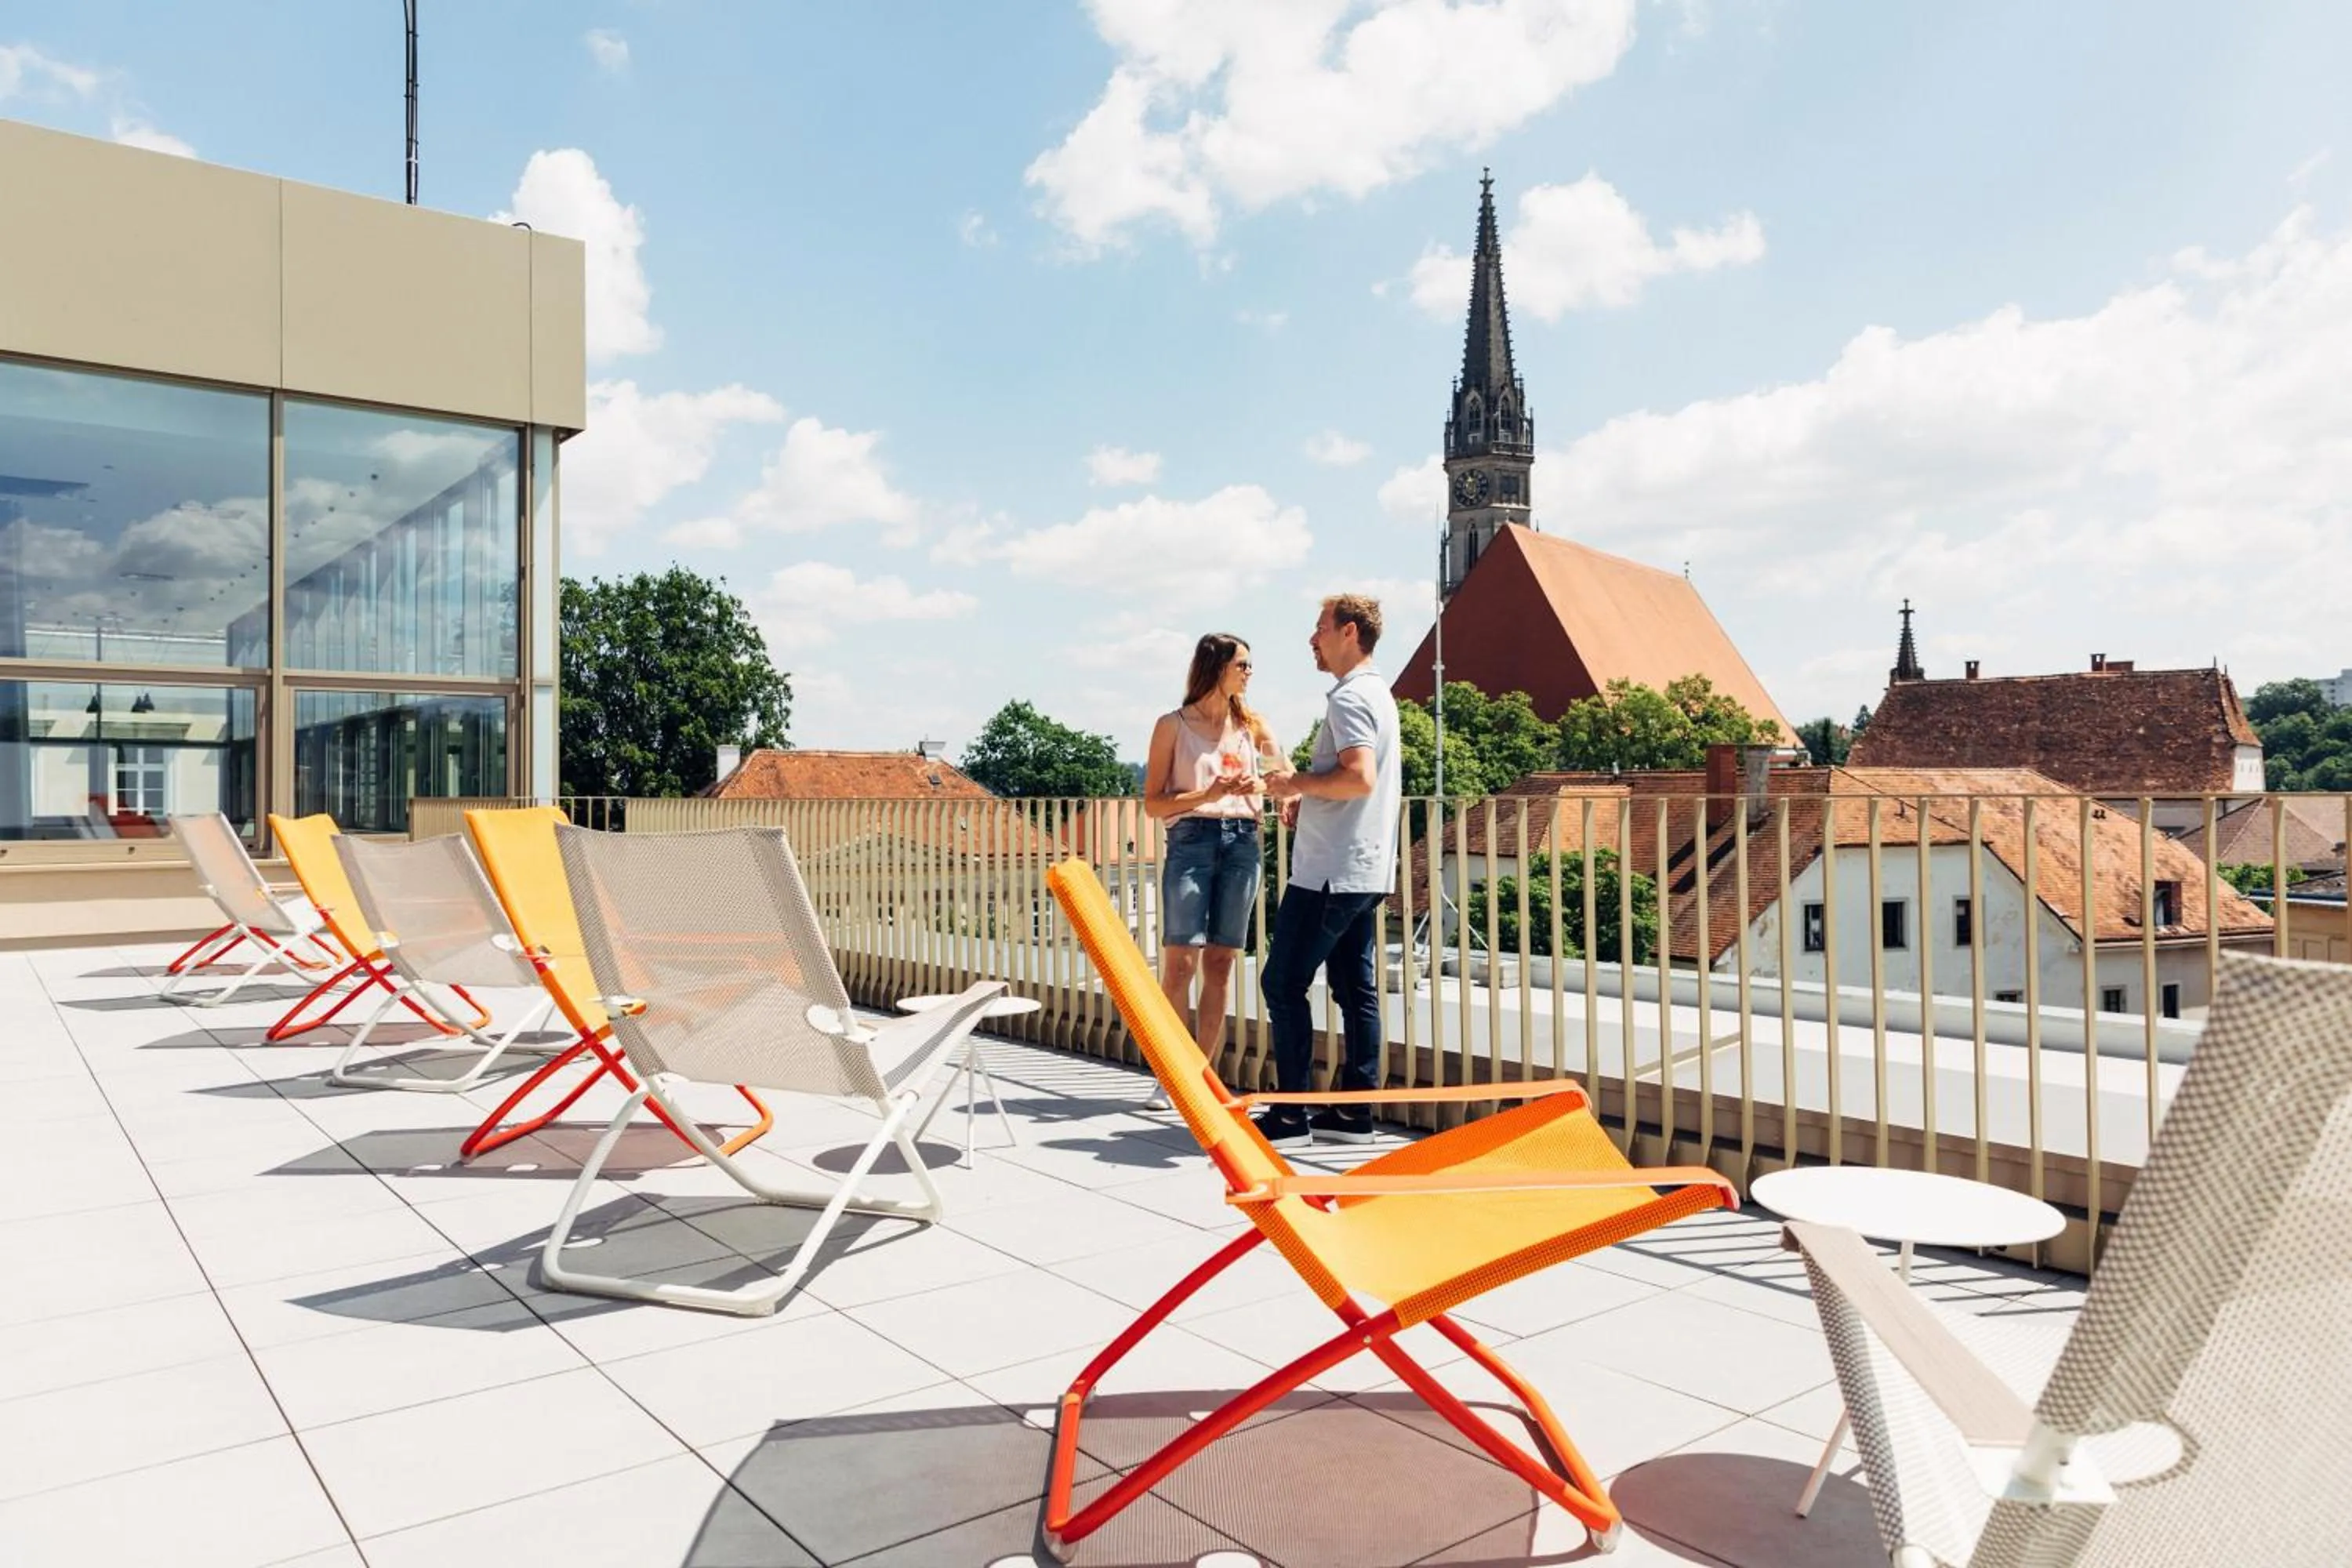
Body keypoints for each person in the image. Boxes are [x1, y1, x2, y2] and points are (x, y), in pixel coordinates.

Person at [1258, 593, 1401, 1148]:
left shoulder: (1349, 697)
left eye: (1319, 628)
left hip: (1329, 872)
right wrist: (1309, 798)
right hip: (1365, 867)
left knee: (1281, 983)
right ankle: (1353, 1115)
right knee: (1354, 990)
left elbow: (1358, 778)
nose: (1312, 639)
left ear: (1348, 632)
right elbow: (1356, 782)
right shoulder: (1378, 693)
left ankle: (1290, 1116)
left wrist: (1292, 783)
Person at [1143, 633, 1283, 1102]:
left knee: (1221, 963)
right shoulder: (1172, 725)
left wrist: (1264, 786)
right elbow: (1153, 803)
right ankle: (1171, 1074)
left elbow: (1282, 775)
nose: (1249, 673)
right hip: (1191, 840)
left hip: (1242, 841)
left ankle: (1202, 1078)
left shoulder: (1253, 726)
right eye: (1242, 665)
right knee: (1180, 964)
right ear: (1216, 666)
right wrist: (1208, 794)